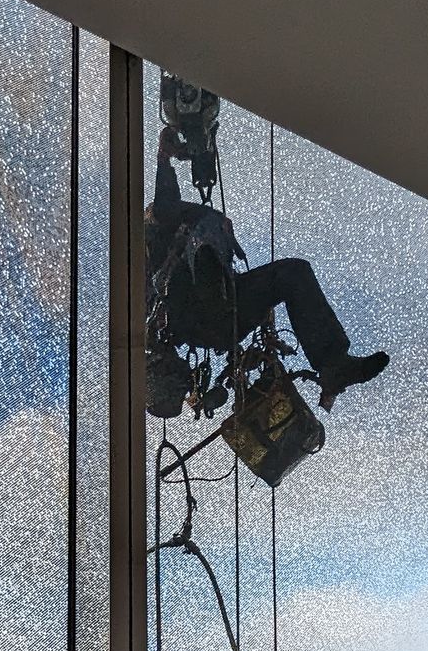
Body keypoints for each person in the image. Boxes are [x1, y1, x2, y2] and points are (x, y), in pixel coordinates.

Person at [144, 78, 388, 419]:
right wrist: (163, 161)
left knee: (293, 274)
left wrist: (166, 159)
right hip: (202, 314)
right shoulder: (152, 244)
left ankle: (334, 366)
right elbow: (165, 208)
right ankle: (332, 362)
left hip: (219, 313)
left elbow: (167, 211)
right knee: (291, 275)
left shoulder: (168, 245)